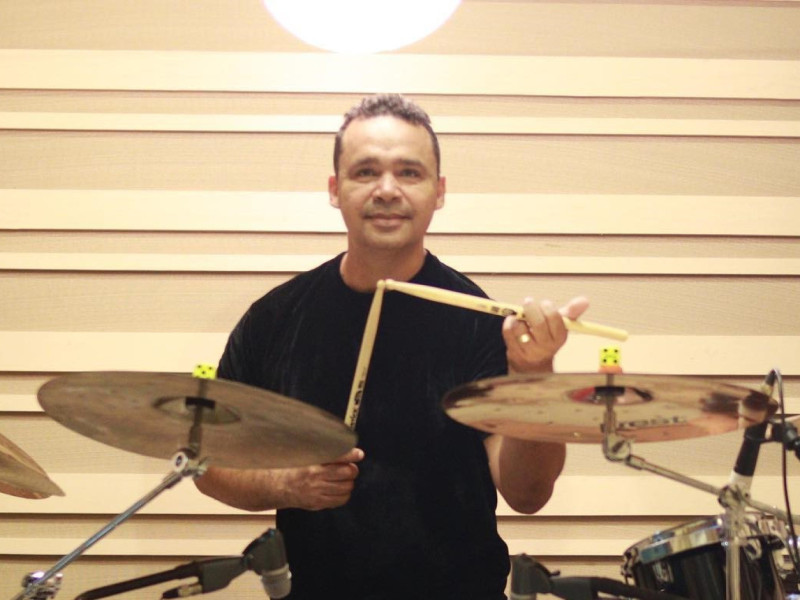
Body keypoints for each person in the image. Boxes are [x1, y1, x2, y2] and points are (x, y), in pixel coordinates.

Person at [195, 94, 589, 599]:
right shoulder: (274, 320)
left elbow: (527, 494)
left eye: (409, 172)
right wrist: (284, 485)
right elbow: (208, 466)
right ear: (335, 190)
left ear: (438, 192)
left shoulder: (479, 322)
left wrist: (535, 377)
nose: (387, 190)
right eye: (366, 172)